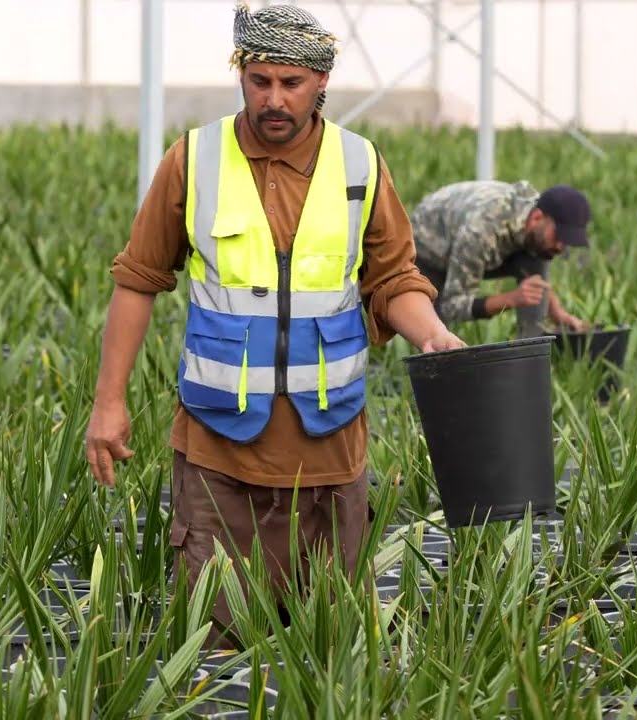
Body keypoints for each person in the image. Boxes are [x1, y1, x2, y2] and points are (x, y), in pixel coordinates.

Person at [83, 1, 465, 648]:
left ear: (321, 82)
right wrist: (108, 402)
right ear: (240, 75)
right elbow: (138, 278)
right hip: (218, 450)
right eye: (260, 81)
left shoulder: (361, 164)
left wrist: (431, 332)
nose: (274, 99)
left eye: (291, 83)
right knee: (213, 652)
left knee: (331, 649)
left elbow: (394, 278)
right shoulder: (194, 159)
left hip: (329, 450)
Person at [409, 180, 594, 339]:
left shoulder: (537, 221)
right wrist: (511, 299)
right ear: (537, 218)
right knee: (435, 334)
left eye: (567, 241)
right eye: (558, 236)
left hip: (481, 237)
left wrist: (557, 312)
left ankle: (531, 351)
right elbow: (453, 306)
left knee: (539, 255)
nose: (561, 247)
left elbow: (537, 280)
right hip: (430, 247)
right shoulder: (481, 232)